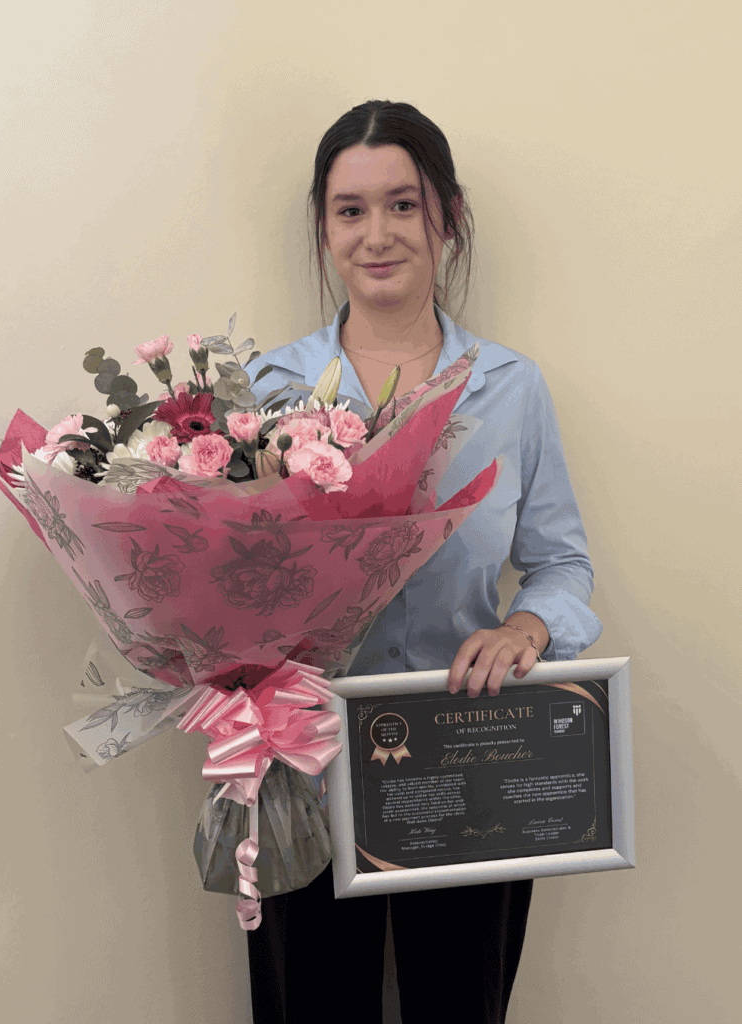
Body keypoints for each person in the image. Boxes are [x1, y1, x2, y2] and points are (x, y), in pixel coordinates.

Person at [241, 100, 602, 1024]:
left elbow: (560, 562)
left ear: (446, 216)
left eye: (403, 205)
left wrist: (528, 625)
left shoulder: (510, 389)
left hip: (469, 754)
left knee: (461, 1004)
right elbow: (228, 581)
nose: (377, 233)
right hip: (305, 767)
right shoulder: (265, 393)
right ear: (323, 230)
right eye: (349, 209)